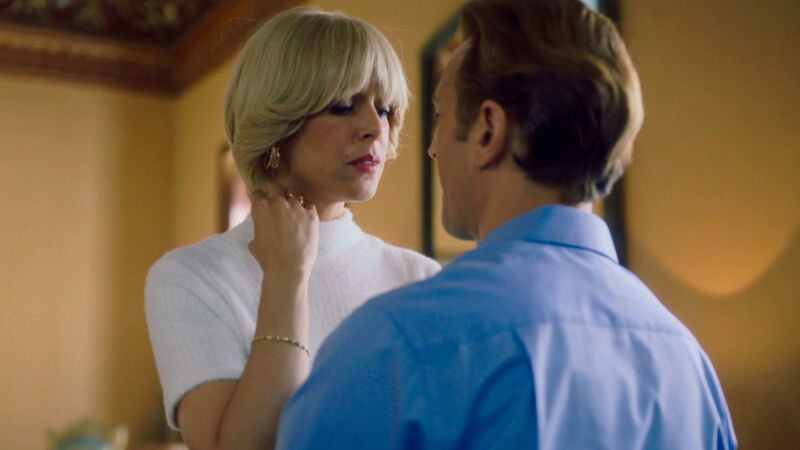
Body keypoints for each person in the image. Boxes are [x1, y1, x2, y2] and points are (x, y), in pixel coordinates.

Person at [276, 0, 738, 448]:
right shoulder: (689, 365)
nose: (432, 147)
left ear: (488, 132)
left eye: (440, 115)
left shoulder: (393, 348)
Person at [145, 7, 440, 450]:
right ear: (276, 127)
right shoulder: (190, 278)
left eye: (385, 108)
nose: (374, 127)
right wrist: (286, 277)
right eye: (344, 105)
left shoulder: (421, 279)